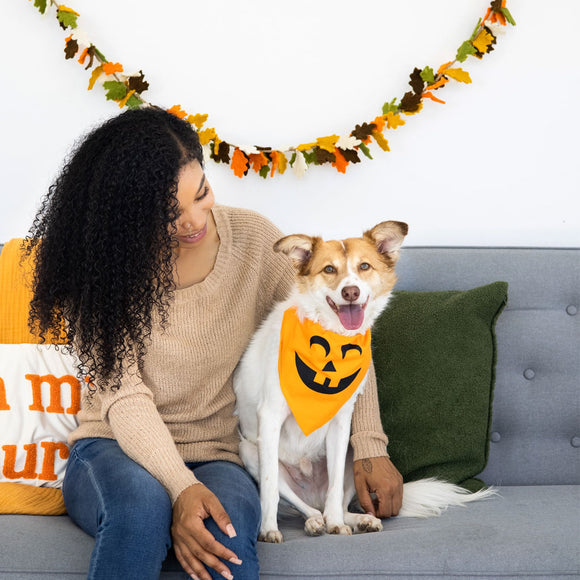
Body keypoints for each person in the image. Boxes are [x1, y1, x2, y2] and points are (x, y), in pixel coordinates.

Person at [26, 107, 403, 580]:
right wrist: (181, 488)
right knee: (141, 514)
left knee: (229, 537)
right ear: (127, 214)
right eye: (169, 212)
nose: (192, 220)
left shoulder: (253, 240)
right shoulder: (103, 271)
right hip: (113, 448)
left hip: (219, 452)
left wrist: (370, 445)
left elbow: (338, 336)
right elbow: (125, 400)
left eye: (201, 193)